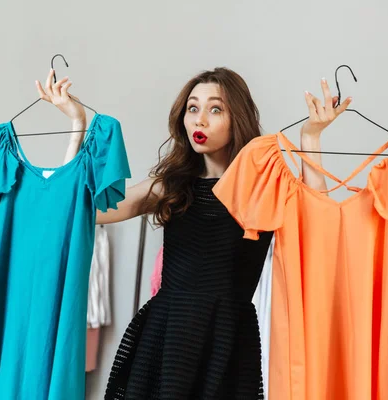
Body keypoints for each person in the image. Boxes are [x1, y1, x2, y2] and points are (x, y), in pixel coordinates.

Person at [36, 67, 351, 399]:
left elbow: (320, 220)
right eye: (193, 108)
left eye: (215, 109)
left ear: (237, 118)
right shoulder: (171, 186)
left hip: (227, 341)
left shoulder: (263, 190)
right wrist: (77, 126)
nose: (200, 120)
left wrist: (311, 139)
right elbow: (80, 211)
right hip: (167, 337)